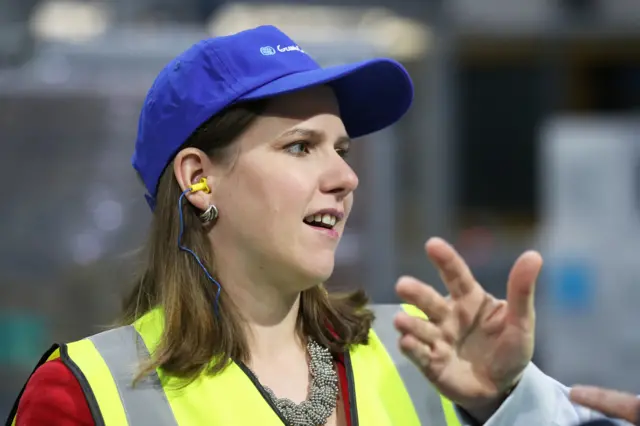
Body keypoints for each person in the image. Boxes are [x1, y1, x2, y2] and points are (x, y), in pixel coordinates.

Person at [4, 24, 634, 426]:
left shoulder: (425, 351)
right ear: (199, 178)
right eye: (301, 147)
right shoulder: (83, 397)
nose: (345, 177)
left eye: (343, 149)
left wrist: (508, 402)